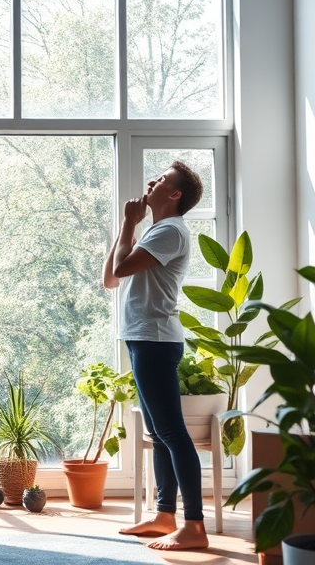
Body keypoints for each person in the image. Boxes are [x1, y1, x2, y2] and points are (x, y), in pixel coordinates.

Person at [102, 161, 207, 551]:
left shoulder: (169, 230)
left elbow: (123, 267)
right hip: (143, 339)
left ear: (175, 194)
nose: (152, 181)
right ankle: (165, 516)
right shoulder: (156, 230)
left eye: (162, 179)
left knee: (173, 434)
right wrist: (127, 226)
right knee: (159, 435)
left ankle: (194, 525)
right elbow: (110, 279)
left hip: (156, 341)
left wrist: (130, 223)